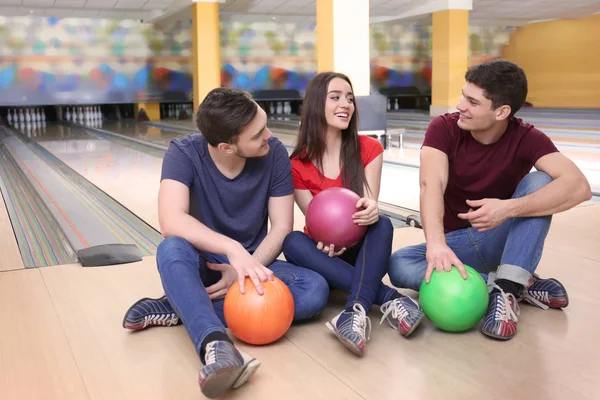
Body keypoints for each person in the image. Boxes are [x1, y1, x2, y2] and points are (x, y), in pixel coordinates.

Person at [121, 88, 330, 398]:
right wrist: (233, 252)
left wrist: (247, 266)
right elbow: (171, 221)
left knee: (314, 290)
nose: (270, 136)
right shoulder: (183, 153)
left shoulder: (273, 153)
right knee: (171, 248)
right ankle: (215, 343)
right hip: (204, 267)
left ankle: (183, 305)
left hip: (256, 263)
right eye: (258, 133)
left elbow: (283, 226)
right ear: (227, 147)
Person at [388, 59, 592, 340]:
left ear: (502, 111)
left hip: (497, 236)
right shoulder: (443, 129)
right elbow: (430, 184)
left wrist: (508, 208)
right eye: (463, 95)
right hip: (456, 245)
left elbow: (579, 186)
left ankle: (507, 292)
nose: (460, 105)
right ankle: (514, 282)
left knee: (540, 182)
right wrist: (436, 244)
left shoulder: (526, 137)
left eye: (472, 101)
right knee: (400, 263)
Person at [281, 72, 425, 357]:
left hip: (362, 246)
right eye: (335, 97)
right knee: (292, 241)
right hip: (324, 252)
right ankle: (388, 297)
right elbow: (315, 218)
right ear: (315, 104)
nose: (345, 104)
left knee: (381, 223)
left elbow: (367, 206)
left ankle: (353, 311)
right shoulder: (297, 164)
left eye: (349, 98)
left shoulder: (370, 149)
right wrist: (325, 241)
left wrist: (372, 210)